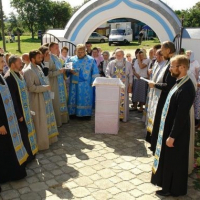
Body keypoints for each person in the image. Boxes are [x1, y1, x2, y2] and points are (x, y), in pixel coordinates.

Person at [151, 55, 195, 197]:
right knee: (169, 159)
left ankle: (173, 189)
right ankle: (167, 185)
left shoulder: (186, 88)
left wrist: (172, 136)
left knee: (175, 161)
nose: (170, 68)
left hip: (177, 133)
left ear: (182, 67)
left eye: (172, 66)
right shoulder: (179, 82)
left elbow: (181, 116)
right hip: (170, 128)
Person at [4, 55, 38, 163]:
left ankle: (32, 153)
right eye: (19, 63)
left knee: (28, 132)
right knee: (23, 135)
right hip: (20, 113)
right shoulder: (9, 77)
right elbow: (12, 99)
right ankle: (27, 157)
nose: (21, 64)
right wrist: (18, 114)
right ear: (13, 64)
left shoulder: (19, 74)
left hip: (26, 110)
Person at [0, 54, 28, 184]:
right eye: (1, 62)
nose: (3, 64)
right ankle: (6, 174)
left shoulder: (1, 76)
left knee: (12, 147)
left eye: (3, 61)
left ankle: (16, 171)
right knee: (5, 148)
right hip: (3, 122)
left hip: (9, 118)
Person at [23, 50, 58, 150]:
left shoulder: (38, 67)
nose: (41, 59)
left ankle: (48, 139)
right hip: (36, 100)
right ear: (32, 59)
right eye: (39, 58)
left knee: (45, 119)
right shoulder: (28, 71)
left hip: (44, 97)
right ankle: (41, 143)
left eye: (41, 57)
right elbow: (31, 88)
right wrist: (45, 88)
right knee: (39, 121)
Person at [147, 41, 176, 153]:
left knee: (161, 123)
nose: (160, 51)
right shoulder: (168, 62)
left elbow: (169, 85)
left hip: (165, 99)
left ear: (168, 50)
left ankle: (158, 147)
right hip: (161, 97)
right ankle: (155, 145)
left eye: (162, 49)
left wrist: (155, 85)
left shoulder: (172, 64)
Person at [66, 44, 99, 118]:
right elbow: (66, 70)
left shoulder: (91, 60)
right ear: (76, 51)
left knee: (84, 99)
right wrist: (69, 71)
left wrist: (93, 82)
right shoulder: (71, 59)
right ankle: (73, 113)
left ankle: (85, 114)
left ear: (85, 51)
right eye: (78, 52)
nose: (80, 53)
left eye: (81, 52)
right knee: (73, 97)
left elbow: (95, 72)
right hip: (74, 83)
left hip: (86, 84)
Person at [106, 49, 133, 122]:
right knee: (114, 100)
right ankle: (114, 116)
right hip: (114, 86)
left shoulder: (128, 64)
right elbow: (107, 72)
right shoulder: (111, 63)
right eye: (116, 55)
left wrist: (130, 86)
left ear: (123, 55)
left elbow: (130, 75)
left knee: (123, 101)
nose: (118, 56)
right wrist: (110, 78)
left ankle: (123, 117)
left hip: (124, 85)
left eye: (119, 55)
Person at [49, 42, 69, 127]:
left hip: (60, 82)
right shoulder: (49, 58)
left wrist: (63, 70)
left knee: (62, 100)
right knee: (56, 101)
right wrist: (59, 71)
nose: (58, 49)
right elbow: (48, 73)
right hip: (54, 84)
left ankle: (63, 119)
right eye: (56, 48)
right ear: (50, 49)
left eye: (58, 47)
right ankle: (57, 121)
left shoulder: (56, 58)